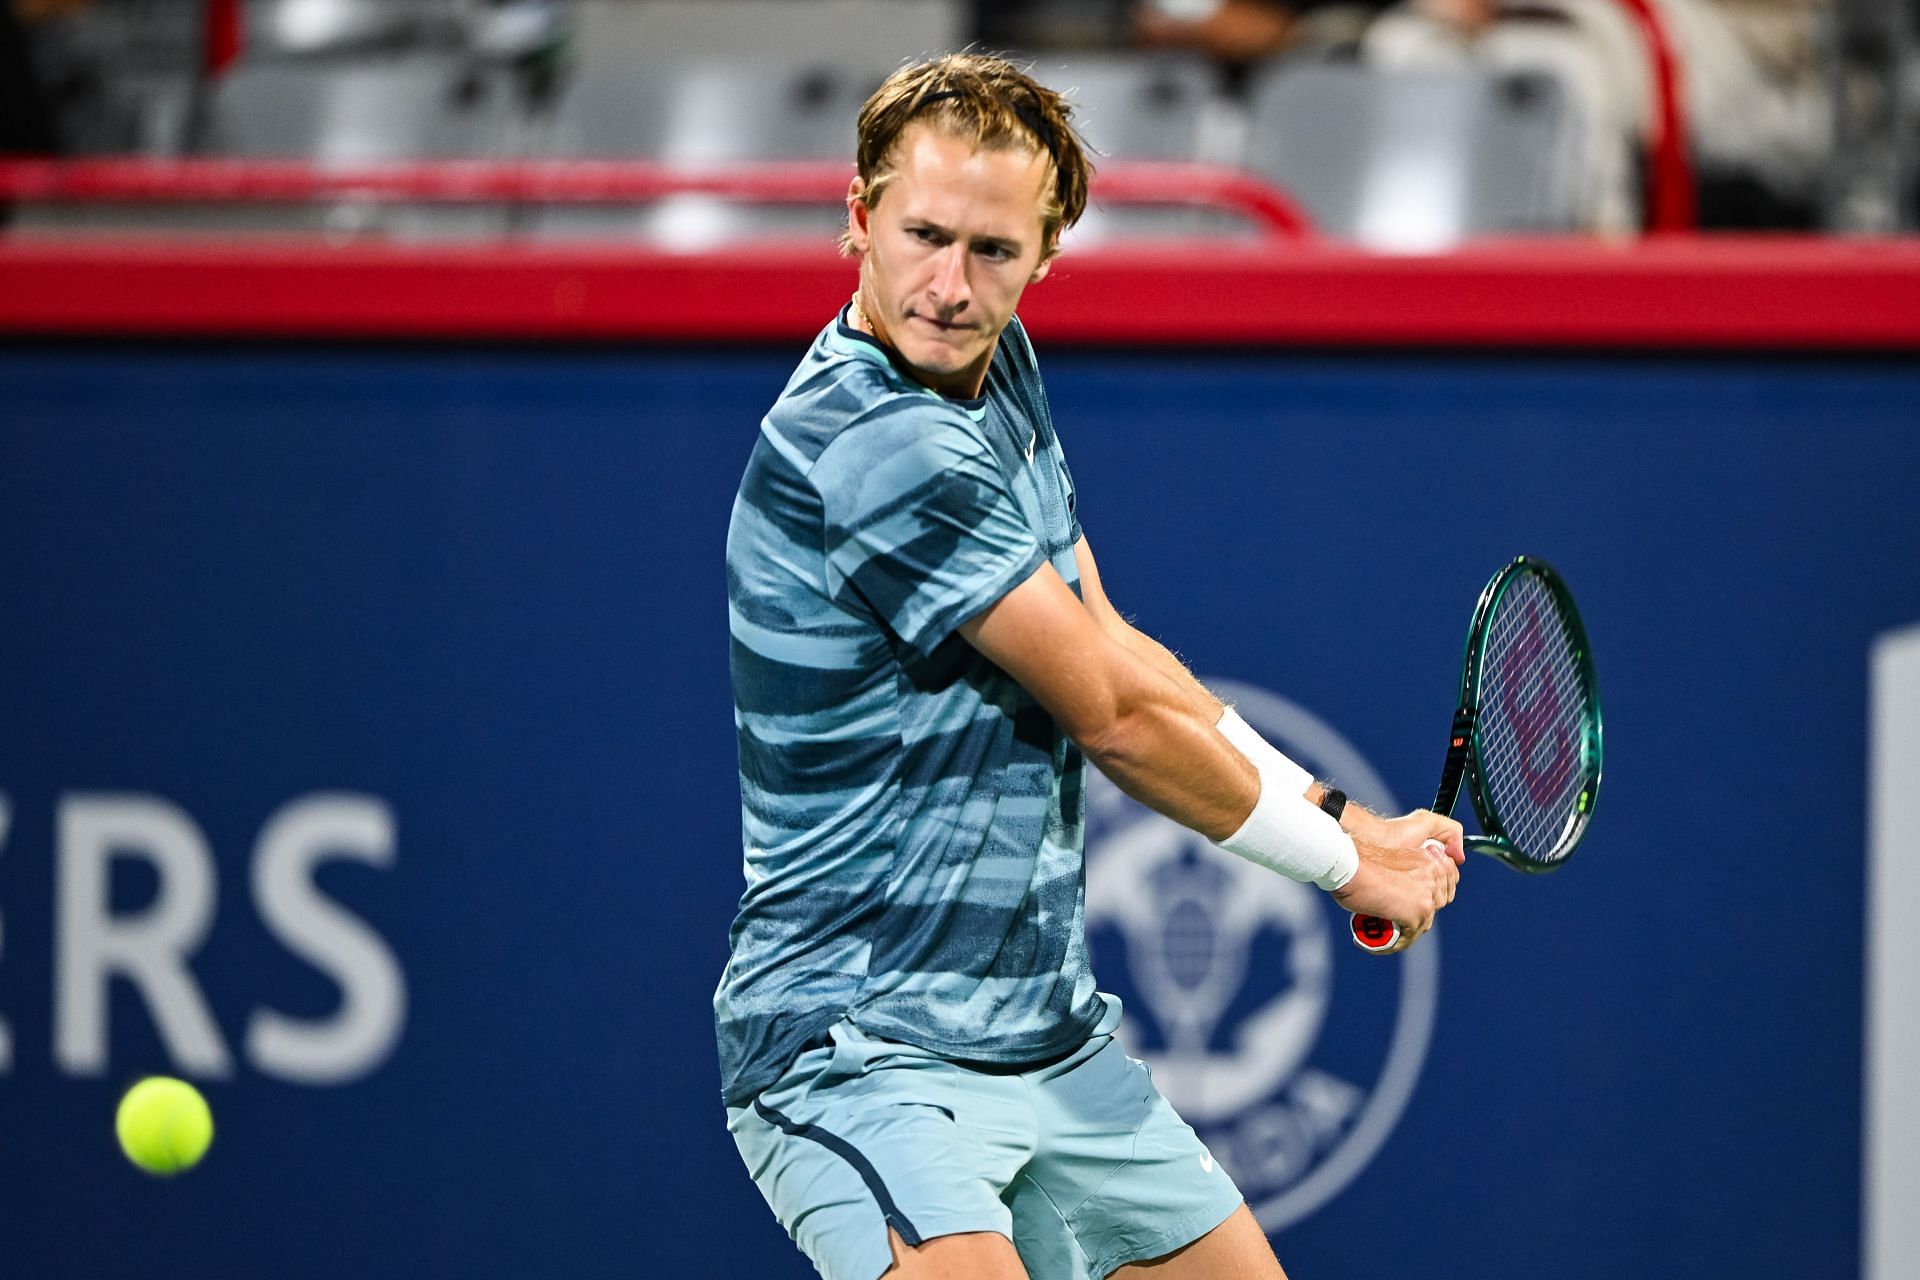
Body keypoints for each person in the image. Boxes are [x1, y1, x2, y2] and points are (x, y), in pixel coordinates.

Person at [716, 52, 1464, 1280]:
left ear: (1046, 255)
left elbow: (1111, 641)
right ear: (857, 221)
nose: (951, 286)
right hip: (858, 1045)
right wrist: (1342, 867)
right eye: (923, 235)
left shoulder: (991, 368)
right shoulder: (873, 438)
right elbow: (1111, 717)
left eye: (994, 253)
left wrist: (1346, 817)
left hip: (1049, 1038)